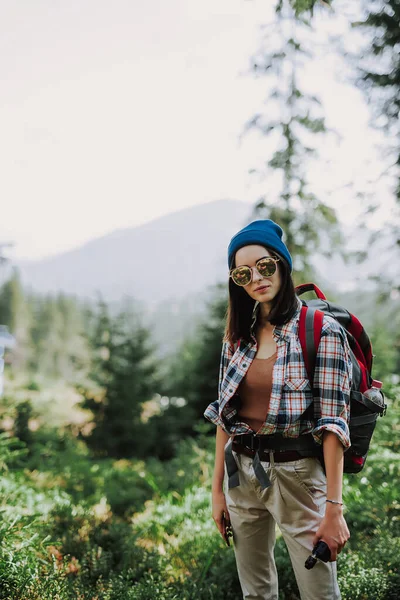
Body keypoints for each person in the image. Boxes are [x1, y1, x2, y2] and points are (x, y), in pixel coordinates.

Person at [204, 219, 352, 600]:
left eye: (265, 266)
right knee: (255, 593)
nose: (256, 277)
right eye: (243, 273)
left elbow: (333, 425)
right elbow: (225, 414)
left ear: (282, 264)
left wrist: (334, 509)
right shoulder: (238, 335)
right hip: (241, 471)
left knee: (319, 592)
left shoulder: (321, 330)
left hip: (296, 475)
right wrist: (217, 491)